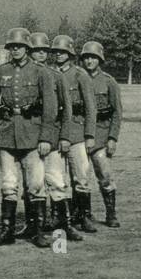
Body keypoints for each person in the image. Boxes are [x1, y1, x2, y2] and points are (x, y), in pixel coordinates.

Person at [0, 28, 58, 247]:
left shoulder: (41, 72)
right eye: (12, 46)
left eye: (19, 46)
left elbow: (50, 108)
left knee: (36, 184)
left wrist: (46, 138)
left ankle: (37, 231)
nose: (16, 49)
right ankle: (7, 231)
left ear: (27, 48)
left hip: (33, 135)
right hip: (7, 136)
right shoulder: (1, 72)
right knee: (9, 184)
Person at [28, 33, 80, 242]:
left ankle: (64, 224)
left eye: (43, 51)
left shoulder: (56, 76)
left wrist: (65, 136)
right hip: (31, 136)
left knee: (57, 180)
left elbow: (66, 110)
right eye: (35, 50)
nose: (39, 54)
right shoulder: (24, 76)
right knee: (33, 183)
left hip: (54, 135)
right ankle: (35, 226)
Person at [51, 34, 98, 234]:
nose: (60, 55)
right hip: (57, 132)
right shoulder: (50, 73)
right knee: (58, 177)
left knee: (81, 176)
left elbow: (90, 107)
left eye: (63, 52)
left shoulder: (80, 75)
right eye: (57, 52)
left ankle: (84, 216)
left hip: (77, 131)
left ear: (70, 54)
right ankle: (61, 216)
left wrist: (90, 135)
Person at [79, 41, 121, 228]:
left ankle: (110, 213)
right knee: (81, 177)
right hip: (80, 134)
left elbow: (117, 112)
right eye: (86, 57)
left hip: (101, 135)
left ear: (100, 59)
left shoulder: (108, 81)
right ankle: (84, 215)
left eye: (93, 57)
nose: (89, 61)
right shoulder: (77, 78)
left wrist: (112, 138)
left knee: (105, 176)